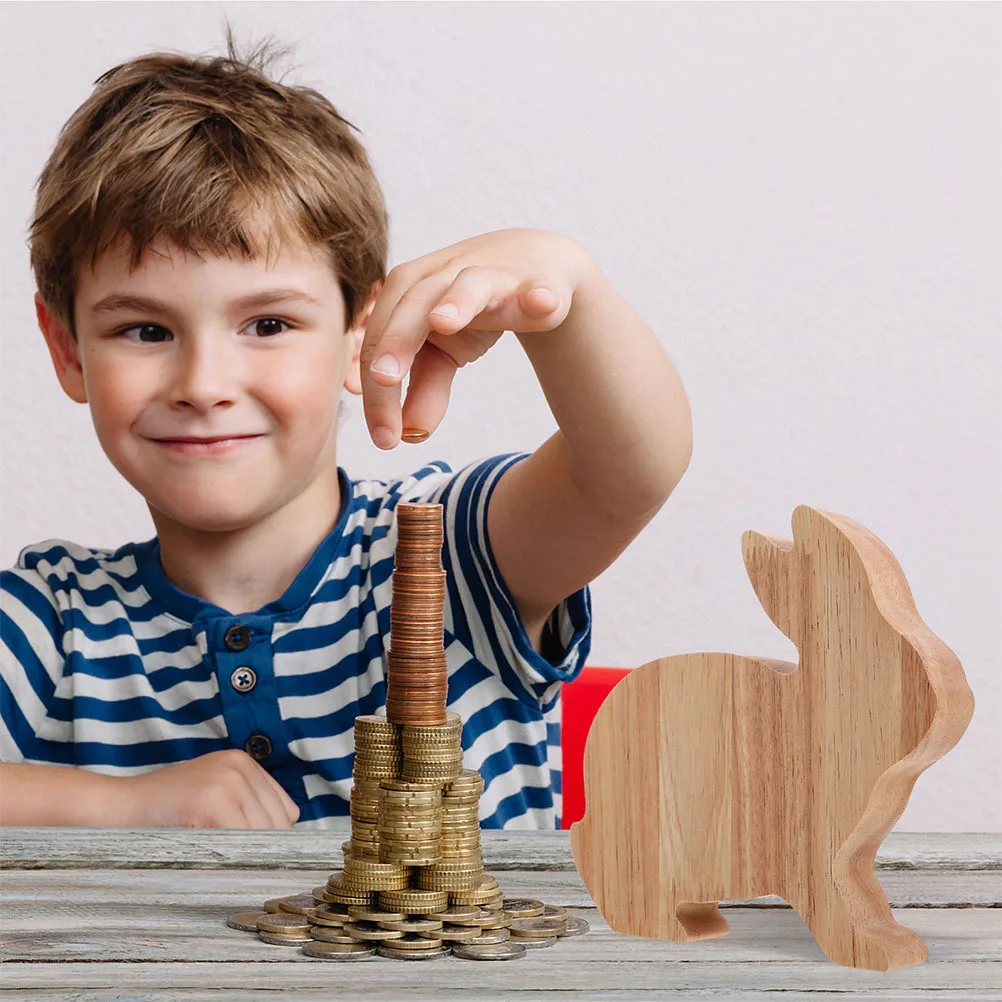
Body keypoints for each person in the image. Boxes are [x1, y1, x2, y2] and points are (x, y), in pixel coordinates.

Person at [0, 35, 692, 830]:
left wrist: (565, 283)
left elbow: (631, 472)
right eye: (145, 332)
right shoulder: (52, 619)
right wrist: (123, 805)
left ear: (357, 338)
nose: (203, 386)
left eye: (267, 323)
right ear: (68, 351)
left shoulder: (449, 556)